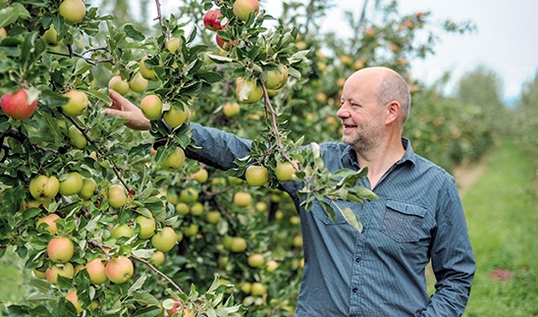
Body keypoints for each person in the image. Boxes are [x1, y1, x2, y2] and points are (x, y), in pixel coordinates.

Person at [105, 66, 475, 316]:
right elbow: (240, 152)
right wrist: (158, 124)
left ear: (391, 111)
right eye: (341, 101)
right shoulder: (315, 166)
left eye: (354, 104)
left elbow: (456, 275)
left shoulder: (436, 186)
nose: (341, 112)